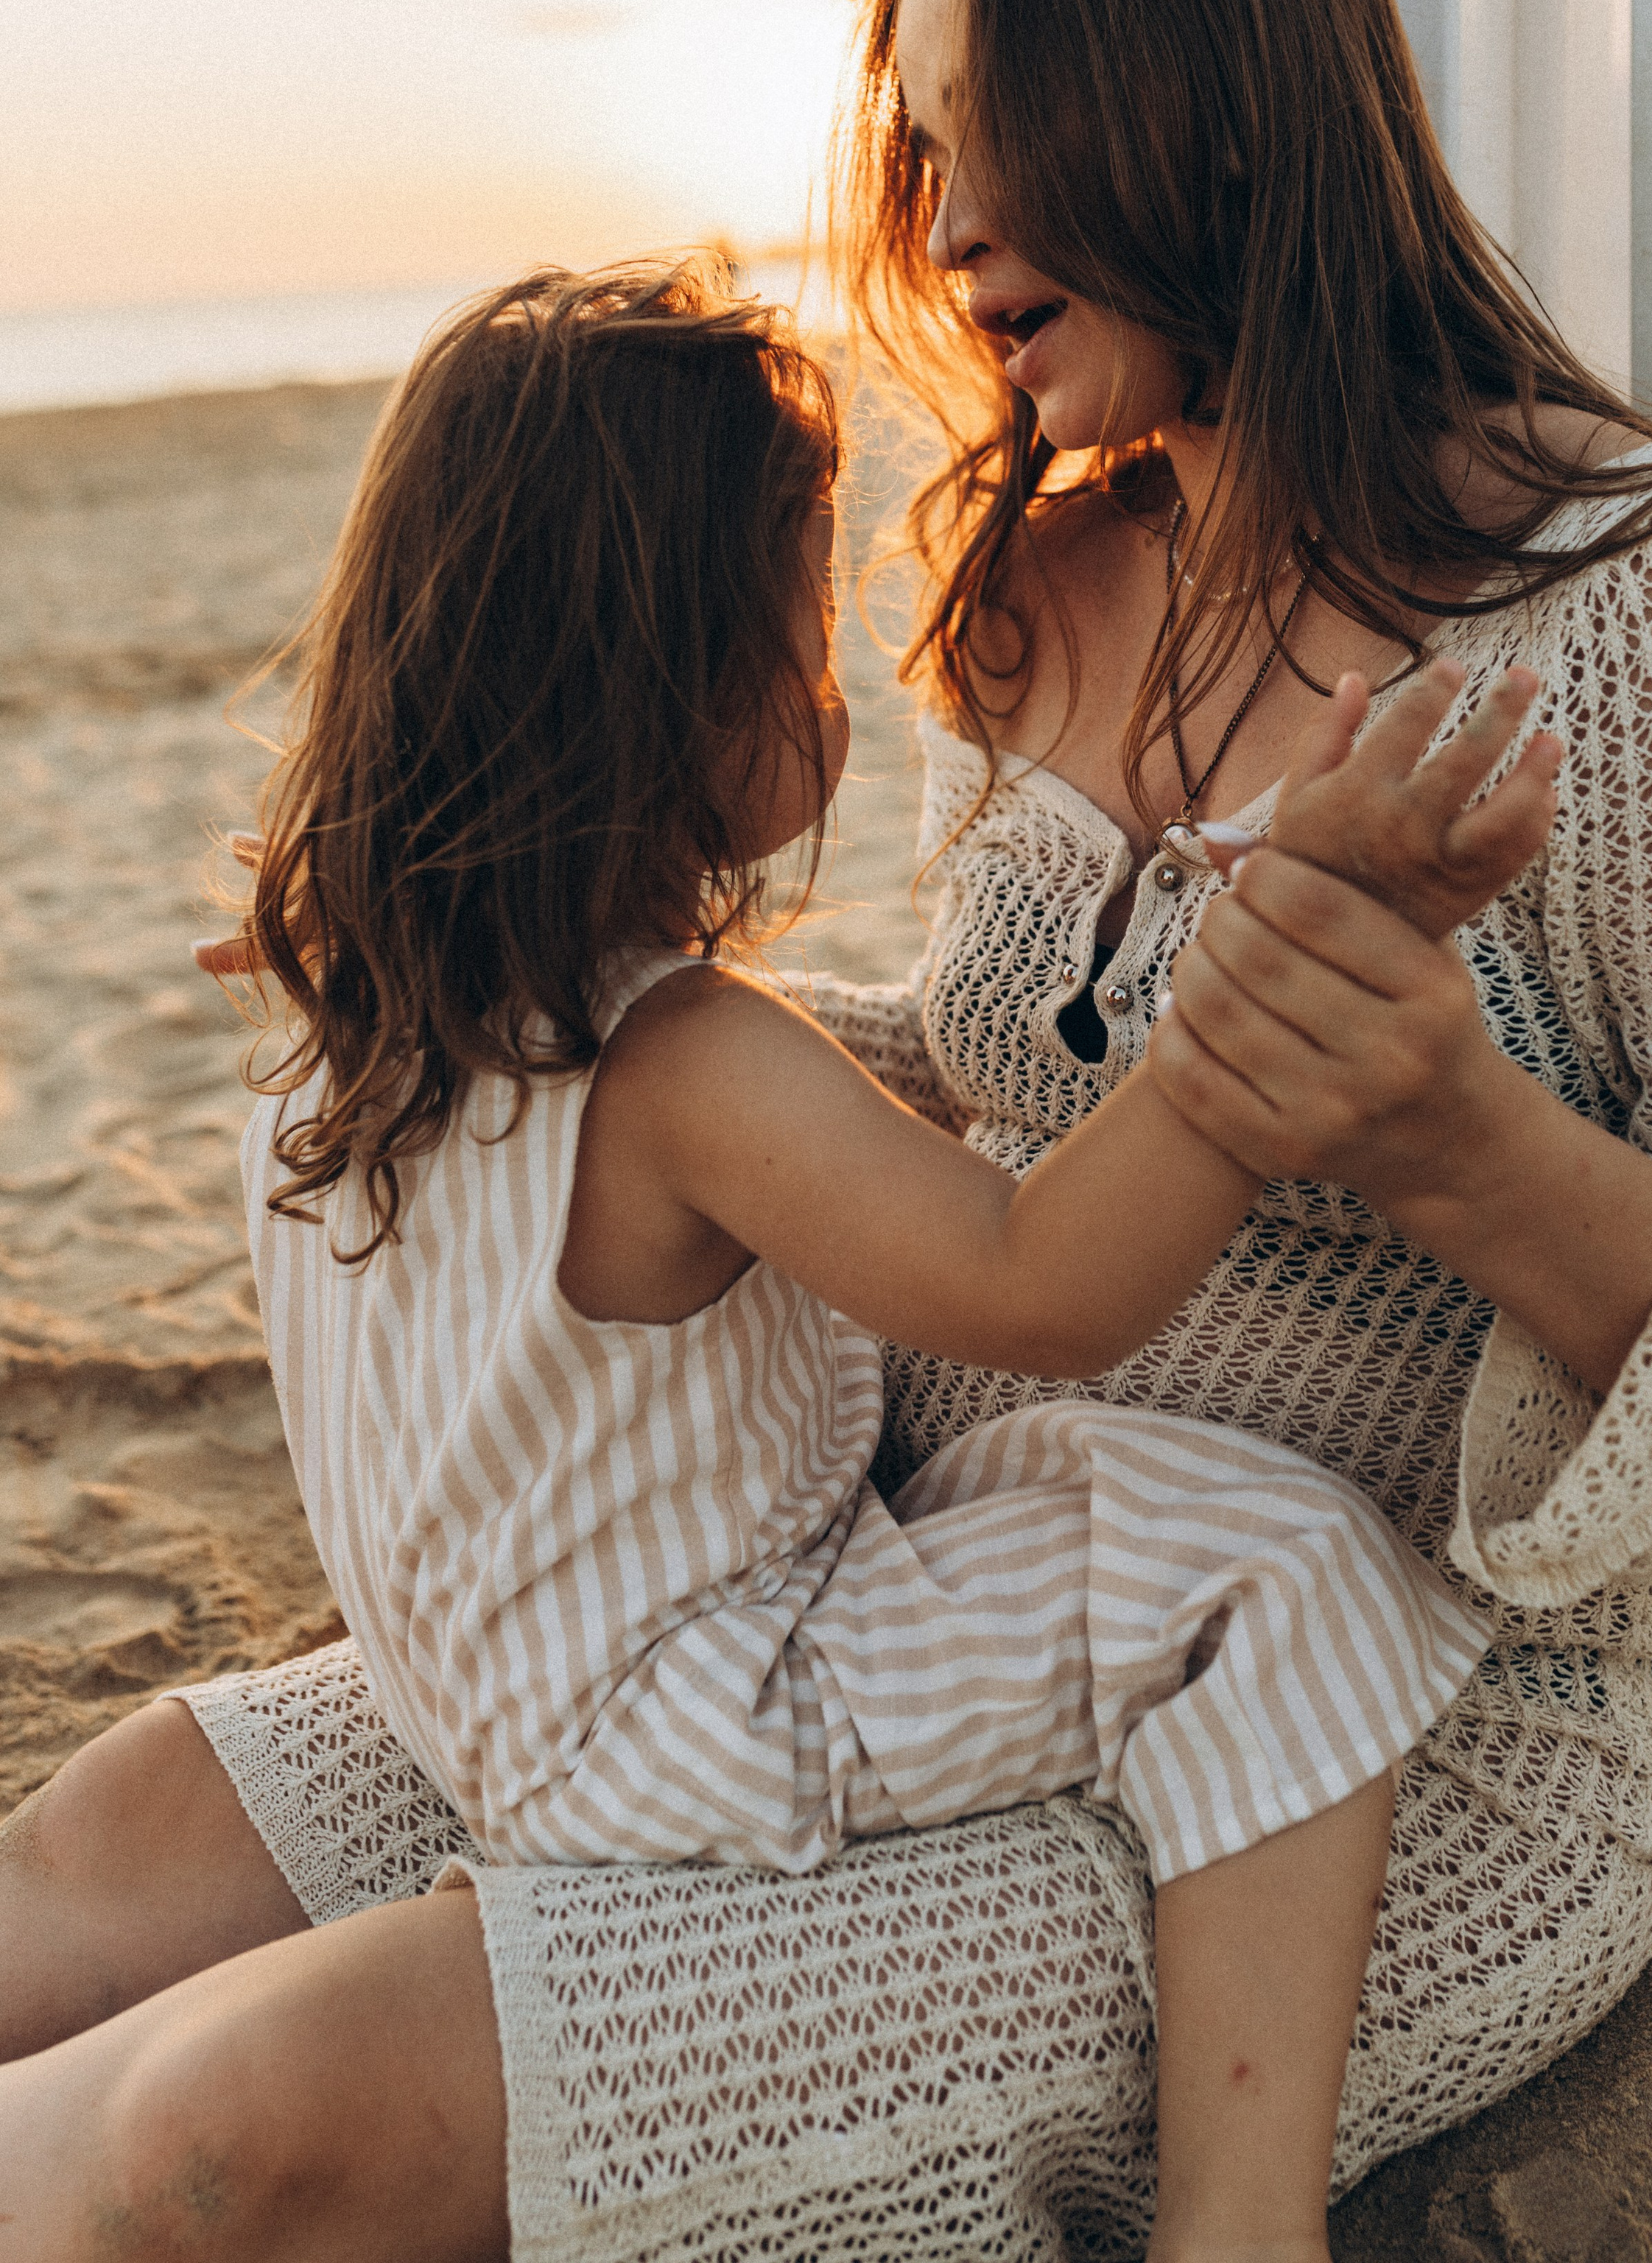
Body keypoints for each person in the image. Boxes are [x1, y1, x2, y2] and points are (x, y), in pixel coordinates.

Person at [5, 0, 1652, 2261]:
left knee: (231, 2134)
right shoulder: (1026, 591)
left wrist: (1470, 1146)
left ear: (1218, 100)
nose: (946, 214)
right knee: (102, 1848)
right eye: (921, 137)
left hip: (1378, 1725)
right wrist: (489, 948)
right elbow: (986, 1075)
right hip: (848, 1563)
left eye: (1001, 125)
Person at [0, 253, 1559, 2262]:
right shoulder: (684, 1064)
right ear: (673, 697)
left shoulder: (366, 1010)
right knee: (1275, 1563)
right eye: (807, 643)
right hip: (707, 1720)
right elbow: (1042, 1281)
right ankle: (1241, 2225)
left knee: (1100, 1506)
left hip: (482, 1709)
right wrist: (1277, 969)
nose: (842, 689)